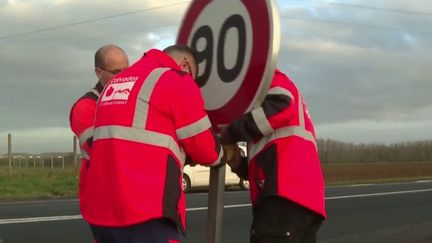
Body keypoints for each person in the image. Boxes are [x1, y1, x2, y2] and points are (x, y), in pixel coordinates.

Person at [83, 45, 224, 243]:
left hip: (101, 215)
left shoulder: (114, 84)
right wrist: (224, 153)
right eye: (193, 77)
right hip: (146, 213)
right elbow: (205, 149)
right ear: (184, 64)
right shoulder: (175, 79)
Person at [220, 69, 326, 243]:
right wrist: (239, 163)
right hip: (303, 199)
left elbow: (283, 103)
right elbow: (271, 153)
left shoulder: (266, 78)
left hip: (284, 195)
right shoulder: (263, 112)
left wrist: (232, 131)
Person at [69, 44, 129, 217]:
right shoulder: (86, 107)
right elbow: (103, 152)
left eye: (128, 71)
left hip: (130, 195)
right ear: (98, 72)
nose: (125, 77)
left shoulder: (133, 99)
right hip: (104, 199)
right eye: (117, 72)